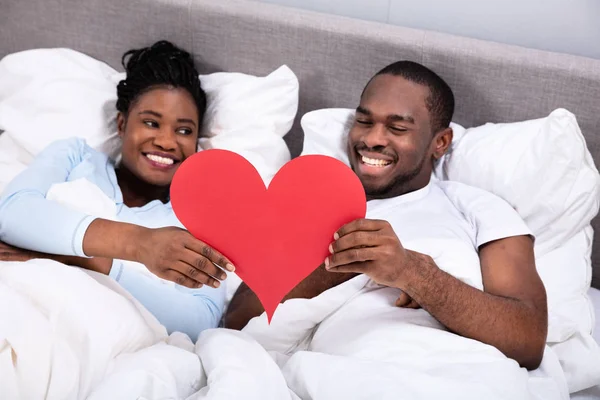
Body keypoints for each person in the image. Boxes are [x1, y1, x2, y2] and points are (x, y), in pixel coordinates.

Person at [225, 61, 548, 370]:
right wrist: (345, 262)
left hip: (460, 369)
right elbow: (237, 321)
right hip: (342, 369)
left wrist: (415, 275)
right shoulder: (308, 207)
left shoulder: (478, 208)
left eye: (397, 127)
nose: (372, 139)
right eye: (364, 121)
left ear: (440, 142)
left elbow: (528, 340)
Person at [0, 40, 234, 340]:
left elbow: (199, 322)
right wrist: (139, 244)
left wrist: (86, 260)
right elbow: (12, 212)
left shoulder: (197, 221)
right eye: (151, 122)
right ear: (122, 124)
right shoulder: (74, 156)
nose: (166, 141)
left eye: (184, 130)